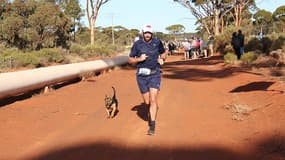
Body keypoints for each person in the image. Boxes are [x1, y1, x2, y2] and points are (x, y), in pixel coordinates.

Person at [128, 24, 167, 135]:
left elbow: (163, 53)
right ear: (143, 33)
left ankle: (152, 125)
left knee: (153, 99)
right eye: (146, 33)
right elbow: (130, 60)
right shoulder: (137, 44)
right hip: (141, 76)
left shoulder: (157, 42)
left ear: (152, 33)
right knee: (147, 102)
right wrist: (139, 59)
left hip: (155, 74)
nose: (147, 35)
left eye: (149, 33)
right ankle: (151, 109)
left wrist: (162, 59)